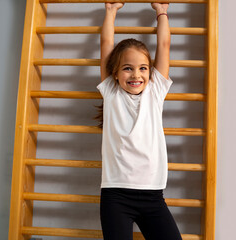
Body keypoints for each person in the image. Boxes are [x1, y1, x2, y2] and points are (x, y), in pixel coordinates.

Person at [96, 2, 182, 240]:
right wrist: (110, 12)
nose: (136, 74)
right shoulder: (111, 92)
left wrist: (161, 11)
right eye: (127, 68)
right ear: (114, 72)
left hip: (152, 194)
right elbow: (106, 44)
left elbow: (164, 45)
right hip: (116, 195)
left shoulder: (155, 92)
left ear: (150, 72)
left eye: (143, 68)